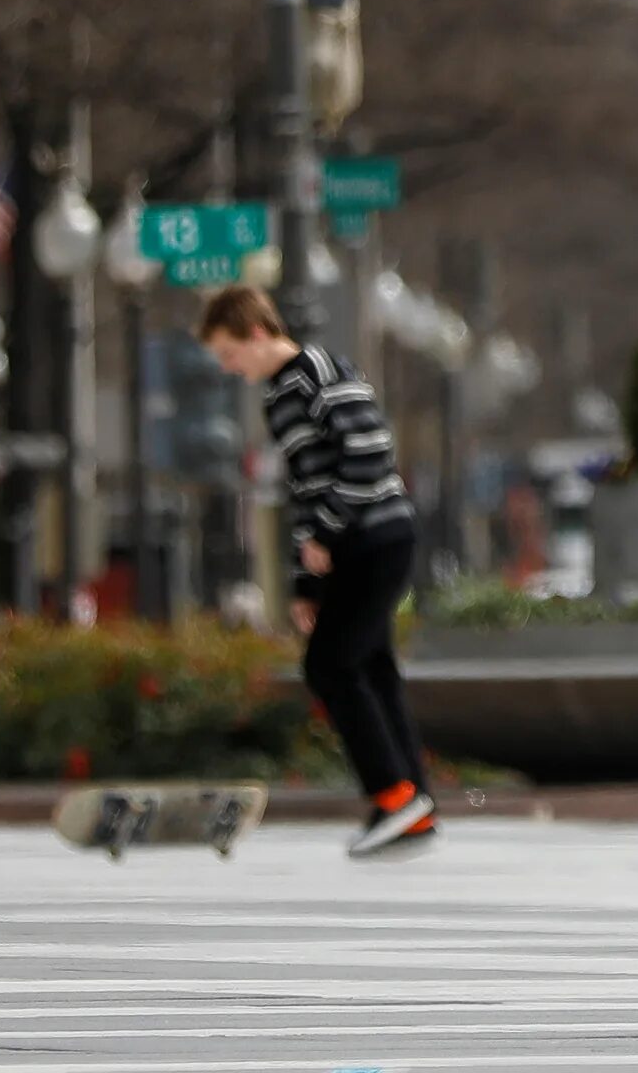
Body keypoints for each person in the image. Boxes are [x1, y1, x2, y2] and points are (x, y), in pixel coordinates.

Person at [198, 286, 436, 859]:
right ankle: (411, 803)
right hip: (352, 544)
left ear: (257, 332)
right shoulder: (278, 395)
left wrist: (328, 532)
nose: (232, 369)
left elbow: (369, 450)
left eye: (232, 354)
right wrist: (308, 583)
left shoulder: (318, 371)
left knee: (331, 664)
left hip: (378, 535)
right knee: (372, 668)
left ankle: (397, 796)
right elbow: (307, 490)